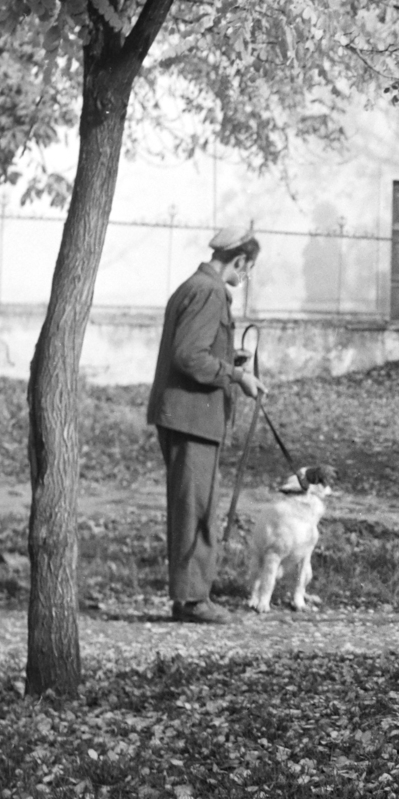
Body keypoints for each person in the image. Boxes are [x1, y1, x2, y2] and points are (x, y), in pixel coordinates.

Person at [146, 225, 265, 624]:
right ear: (239, 261)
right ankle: (193, 600)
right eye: (247, 269)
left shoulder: (193, 286)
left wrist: (229, 360)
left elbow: (195, 350)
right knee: (195, 511)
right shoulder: (210, 291)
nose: (245, 277)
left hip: (190, 416)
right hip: (192, 418)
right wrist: (236, 377)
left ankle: (190, 596)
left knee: (191, 508)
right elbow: (189, 356)